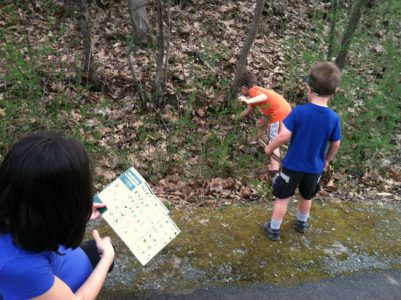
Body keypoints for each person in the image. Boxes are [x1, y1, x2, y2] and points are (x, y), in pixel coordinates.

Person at [0, 133, 114, 299]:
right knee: (100, 255)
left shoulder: (14, 210)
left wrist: (73, 212)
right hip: (50, 285)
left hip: (54, 267)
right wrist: (107, 259)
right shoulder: (21, 267)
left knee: (92, 251)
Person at [261, 61, 342, 241]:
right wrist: (327, 159)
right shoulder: (333, 118)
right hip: (314, 168)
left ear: (309, 89)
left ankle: (273, 229)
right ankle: (301, 223)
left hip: (292, 167)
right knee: (307, 196)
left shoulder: (299, 112)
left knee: (283, 198)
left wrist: (269, 148)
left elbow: (283, 136)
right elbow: (335, 143)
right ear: (334, 92)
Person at [237, 70, 292, 179]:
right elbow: (248, 110)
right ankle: (263, 146)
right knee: (260, 123)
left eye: (240, 89)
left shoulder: (254, 91)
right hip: (277, 111)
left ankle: (274, 171)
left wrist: (247, 100)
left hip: (279, 113)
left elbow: (264, 98)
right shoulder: (254, 95)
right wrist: (235, 118)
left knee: (274, 140)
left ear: (244, 88)